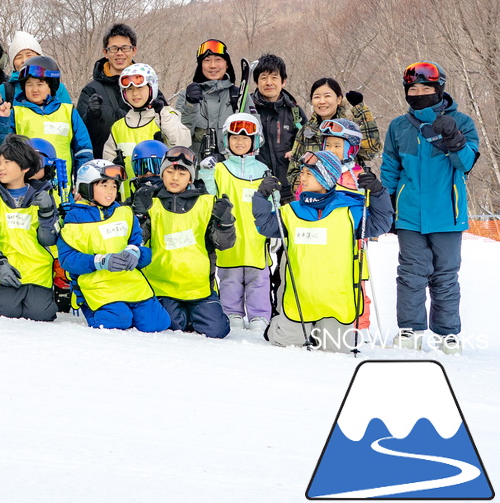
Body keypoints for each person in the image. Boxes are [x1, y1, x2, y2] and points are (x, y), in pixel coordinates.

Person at [381, 62, 479, 354]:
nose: (419, 93)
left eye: (426, 88)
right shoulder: (399, 126)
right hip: (409, 214)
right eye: (414, 88)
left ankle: (447, 333)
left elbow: (467, 163)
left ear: (439, 90)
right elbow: (390, 168)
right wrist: (386, 207)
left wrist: (454, 140)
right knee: (411, 272)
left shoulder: (461, 121)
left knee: (445, 275)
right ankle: (410, 329)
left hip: (448, 213)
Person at [252, 150, 393, 352]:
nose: (302, 177)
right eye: (302, 173)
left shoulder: (350, 210)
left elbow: (381, 224)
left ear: (324, 177)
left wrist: (378, 193)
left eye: (309, 174)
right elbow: (265, 226)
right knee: (285, 342)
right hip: (298, 300)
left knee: (337, 348)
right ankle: (286, 325)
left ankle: (318, 329)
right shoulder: (291, 211)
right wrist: (261, 196)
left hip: (335, 303)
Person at [133, 145, 237, 338]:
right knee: (171, 326)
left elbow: (224, 244)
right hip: (162, 286)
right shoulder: (152, 202)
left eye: (182, 173)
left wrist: (225, 222)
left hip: (198, 288)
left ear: (190, 177)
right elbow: (137, 240)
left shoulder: (206, 203)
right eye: (170, 172)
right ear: (162, 174)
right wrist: (139, 215)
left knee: (218, 331)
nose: (174, 178)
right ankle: (183, 316)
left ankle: (194, 314)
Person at [57, 159, 170, 332]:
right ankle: (89, 308)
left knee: (157, 323)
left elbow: (142, 250)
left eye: (114, 186)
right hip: (97, 284)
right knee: (119, 319)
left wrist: (136, 253)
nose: (111, 192)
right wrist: (99, 261)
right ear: (86, 186)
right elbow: (67, 259)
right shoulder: (74, 218)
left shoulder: (124, 213)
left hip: (129, 282)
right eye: (104, 185)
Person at [199, 113, 274, 333]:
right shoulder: (220, 169)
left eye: (245, 138)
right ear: (226, 140)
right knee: (230, 277)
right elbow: (210, 196)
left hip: (256, 237)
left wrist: (275, 231)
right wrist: (205, 173)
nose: (239, 142)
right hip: (229, 236)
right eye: (234, 137)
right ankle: (232, 312)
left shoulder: (263, 171)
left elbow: (274, 202)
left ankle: (259, 315)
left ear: (255, 141)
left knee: (258, 278)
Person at [0, 135, 60, 321]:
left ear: (25, 167)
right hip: (1, 274)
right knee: (3, 311)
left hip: (38, 276)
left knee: (40, 314)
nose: (0, 167)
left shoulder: (45, 196)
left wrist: (47, 212)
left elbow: (49, 240)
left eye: (7, 162)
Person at [0, 55, 93, 174]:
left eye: (40, 84)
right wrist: (3, 120)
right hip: (27, 187)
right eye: (29, 84)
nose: (34, 89)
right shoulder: (16, 113)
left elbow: (83, 151)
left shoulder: (68, 112)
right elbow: (1, 147)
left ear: (51, 86)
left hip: (62, 187)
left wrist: (82, 181)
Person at [102, 63, 189, 194]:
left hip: (162, 198)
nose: (135, 94)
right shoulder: (118, 127)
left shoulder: (166, 116)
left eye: (140, 87)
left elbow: (183, 143)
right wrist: (115, 165)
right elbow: (107, 164)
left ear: (151, 88)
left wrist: (162, 115)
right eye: (129, 89)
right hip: (129, 199)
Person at [287, 78, 381, 194]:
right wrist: (305, 187)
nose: (322, 101)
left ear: (339, 99)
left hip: (348, 193)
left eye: (327, 96)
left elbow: (371, 150)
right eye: (317, 97)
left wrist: (361, 110)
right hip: (314, 200)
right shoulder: (306, 131)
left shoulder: (350, 127)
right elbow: (294, 171)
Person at [76, 23, 139, 159]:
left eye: (125, 48)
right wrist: (92, 116)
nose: (120, 53)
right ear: (105, 52)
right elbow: (80, 137)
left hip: (141, 167)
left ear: (134, 50)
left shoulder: (147, 87)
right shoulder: (91, 90)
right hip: (104, 169)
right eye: (114, 48)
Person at [249, 55, 303, 201]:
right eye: (263, 78)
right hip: (255, 187)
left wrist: (297, 152)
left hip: (289, 189)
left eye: (274, 77)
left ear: (283, 81)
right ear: (256, 82)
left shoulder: (294, 111)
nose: (269, 83)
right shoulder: (246, 109)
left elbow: (308, 143)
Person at [179, 39, 238, 162]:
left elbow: (256, 139)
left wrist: (226, 157)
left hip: (231, 174)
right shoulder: (186, 96)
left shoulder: (239, 96)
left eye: (218, 60)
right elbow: (179, 138)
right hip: (194, 174)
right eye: (207, 60)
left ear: (227, 64)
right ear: (200, 65)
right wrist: (190, 105)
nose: (212, 65)